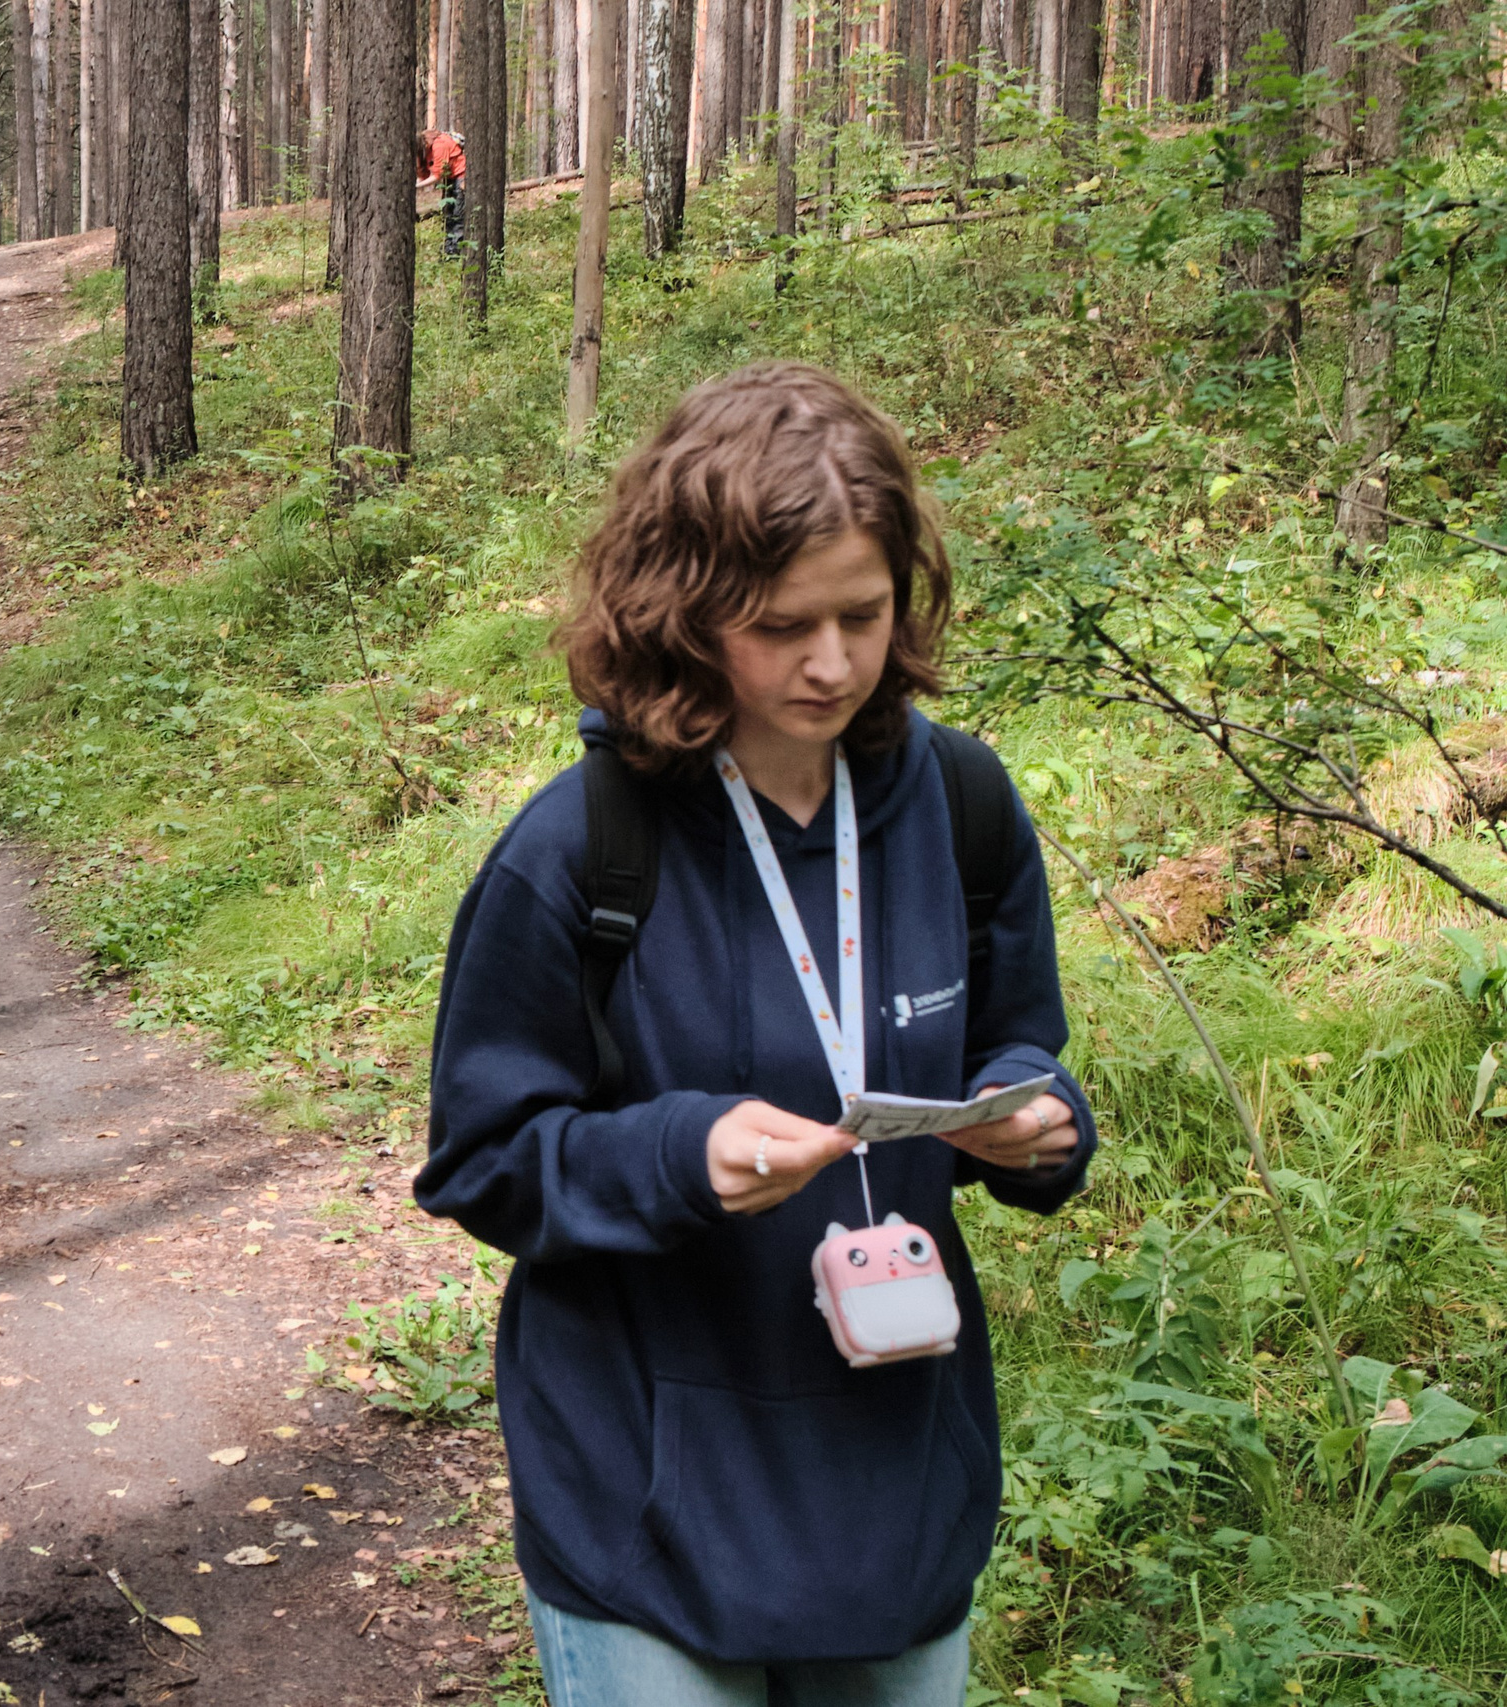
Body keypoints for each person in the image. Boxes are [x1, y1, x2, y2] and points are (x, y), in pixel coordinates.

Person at [415, 362, 1096, 1707]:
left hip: (893, 1481)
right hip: (644, 1493)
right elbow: (482, 1158)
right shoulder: (579, 850)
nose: (833, 661)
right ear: (687, 610)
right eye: (784, 624)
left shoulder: (960, 806)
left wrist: (1028, 1117)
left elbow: (1018, 1044)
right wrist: (678, 1153)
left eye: (863, 612)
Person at [417, 129, 467, 256]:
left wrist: (417, 186)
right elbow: (425, 173)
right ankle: (448, 248)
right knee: (448, 214)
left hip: (461, 176)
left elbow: (437, 175)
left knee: (458, 214)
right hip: (450, 179)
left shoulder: (439, 145)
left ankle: (455, 251)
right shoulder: (427, 151)